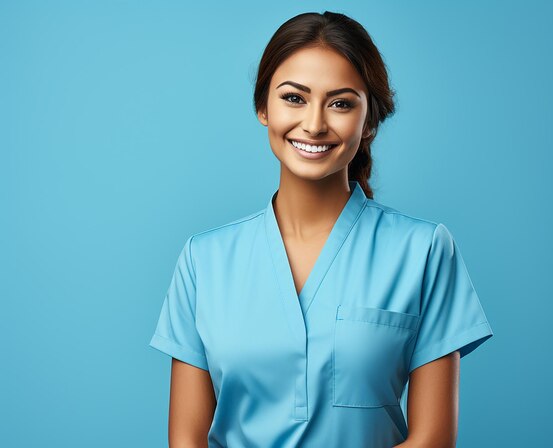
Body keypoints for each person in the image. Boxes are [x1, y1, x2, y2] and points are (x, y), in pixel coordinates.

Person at [149, 10, 494, 448]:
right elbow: (186, 440)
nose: (313, 124)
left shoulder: (424, 252)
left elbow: (433, 439)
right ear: (262, 107)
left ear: (369, 122)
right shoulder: (205, 260)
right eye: (294, 98)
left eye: (340, 103)